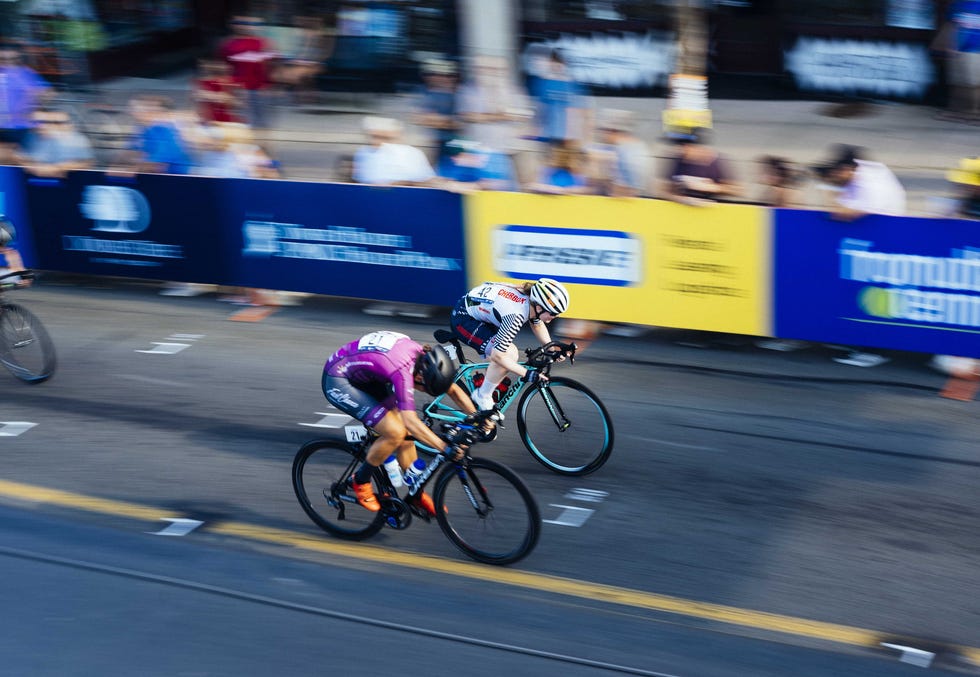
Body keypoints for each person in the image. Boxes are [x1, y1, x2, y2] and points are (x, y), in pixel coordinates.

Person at [321, 331, 476, 515]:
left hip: (370, 376)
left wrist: (477, 416)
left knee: (406, 433)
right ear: (419, 379)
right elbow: (410, 421)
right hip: (339, 378)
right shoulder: (403, 372)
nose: (425, 393)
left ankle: (415, 494)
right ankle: (360, 481)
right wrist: (445, 448)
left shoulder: (424, 362)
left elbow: (452, 390)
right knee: (395, 432)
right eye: (427, 390)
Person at [813, 144, 906, 367]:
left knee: (873, 297)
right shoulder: (861, 170)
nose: (835, 176)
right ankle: (856, 341)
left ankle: (874, 351)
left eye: (837, 172)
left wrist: (825, 186)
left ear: (849, 169)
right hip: (873, 242)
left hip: (884, 244)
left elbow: (841, 213)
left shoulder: (869, 183)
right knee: (857, 294)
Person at [450, 278, 570, 411]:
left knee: (498, 369)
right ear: (539, 307)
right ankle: (482, 396)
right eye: (553, 313)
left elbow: (537, 324)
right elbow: (498, 356)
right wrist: (528, 374)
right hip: (464, 319)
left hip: (483, 313)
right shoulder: (516, 315)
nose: (556, 316)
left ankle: (482, 401)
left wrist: (553, 349)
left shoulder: (531, 303)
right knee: (509, 354)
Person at [813, 144, 906, 220]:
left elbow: (842, 213)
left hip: (882, 228)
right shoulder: (864, 169)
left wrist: (828, 189)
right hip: (873, 222)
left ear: (846, 169)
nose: (833, 176)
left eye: (834, 172)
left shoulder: (869, 186)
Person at [219, 16, 278, 130]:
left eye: (245, 23)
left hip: (260, 87)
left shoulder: (263, 43)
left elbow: (271, 64)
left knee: (261, 121)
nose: (243, 25)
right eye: (239, 23)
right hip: (241, 87)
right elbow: (226, 66)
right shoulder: (228, 44)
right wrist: (229, 87)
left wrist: (270, 85)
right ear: (233, 26)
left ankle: (262, 143)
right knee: (245, 121)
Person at [660, 127, 741, 205]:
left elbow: (737, 190)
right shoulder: (678, 161)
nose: (681, 150)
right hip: (682, 212)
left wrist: (710, 187)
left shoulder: (717, 163)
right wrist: (680, 199)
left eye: (686, 146)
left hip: (711, 213)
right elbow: (662, 190)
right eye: (680, 146)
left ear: (699, 147)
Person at [0, 47, 51, 164]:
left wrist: (33, 107)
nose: (8, 62)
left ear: (18, 59)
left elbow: (46, 92)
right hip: (2, 126)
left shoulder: (25, 73)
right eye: (3, 59)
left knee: (25, 161)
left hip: (23, 127)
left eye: (13, 59)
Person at [352, 116, 436, 187]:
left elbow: (427, 182)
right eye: (374, 137)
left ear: (398, 138)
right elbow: (359, 183)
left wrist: (398, 183)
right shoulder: (363, 153)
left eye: (386, 138)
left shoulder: (413, 153)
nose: (378, 142)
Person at [587, 109, 651, 197]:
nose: (603, 135)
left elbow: (625, 191)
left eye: (605, 131)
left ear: (613, 131)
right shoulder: (628, 148)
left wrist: (601, 177)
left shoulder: (627, 151)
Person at [410, 57, 462, 165]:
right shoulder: (421, 92)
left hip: (454, 143)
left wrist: (435, 120)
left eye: (444, 74)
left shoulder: (457, 95)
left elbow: (460, 122)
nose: (437, 77)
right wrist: (446, 121)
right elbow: (418, 118)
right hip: (430, 143)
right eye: (432, 74)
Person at [16, 107, 95, 177]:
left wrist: (57, 168)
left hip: (67, 182)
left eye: (60, 123)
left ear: (70, 124)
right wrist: (31, 166)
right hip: (33, 179)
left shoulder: (79, 140)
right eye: (52, 122)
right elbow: (19, 157)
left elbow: (87, 163)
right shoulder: (33, 136)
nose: (55, 126)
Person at [436, 138, 518, 192]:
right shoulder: (450, 161)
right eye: (452, 157)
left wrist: (470, 186)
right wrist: (447, 184)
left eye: (459, 156)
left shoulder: (494, 158)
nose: (455, 160)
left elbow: (500, 184)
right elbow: (439, 180)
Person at [527, 140, 593, 195]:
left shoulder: (578, 175)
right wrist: (550, 189)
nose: (561, 158)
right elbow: (533, 186)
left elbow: (586, 190)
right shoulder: (547, 171)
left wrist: (567, 190)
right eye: (557, 155)